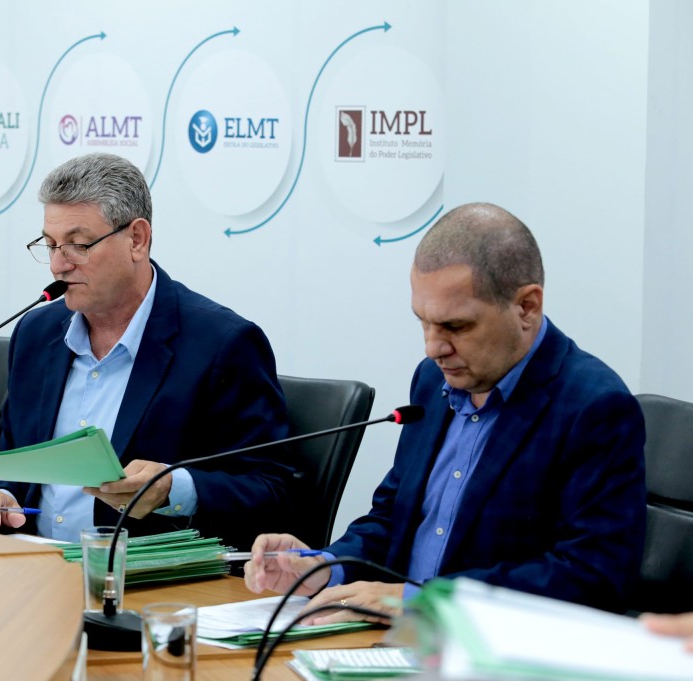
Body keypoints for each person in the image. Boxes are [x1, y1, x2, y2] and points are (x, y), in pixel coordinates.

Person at [244, 202, 646, 619]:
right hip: (392, 637)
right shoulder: (432, 380)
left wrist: (419, 600)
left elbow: (593, 575)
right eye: (424, 321)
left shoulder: (594, 407)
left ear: (527, 307)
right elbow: (392, 517)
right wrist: (326, 567)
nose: (433, 347)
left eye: (456, 327)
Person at [0, 153, 291, 548]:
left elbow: (272, 489)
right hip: (32, 563)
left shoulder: (222, 344)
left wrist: (173, 489)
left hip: (139, 575)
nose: (57, 266)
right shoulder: (36, 333)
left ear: (137, 239)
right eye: (49, 245)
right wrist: (0, 494)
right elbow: (14, 458)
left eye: (78, 245)